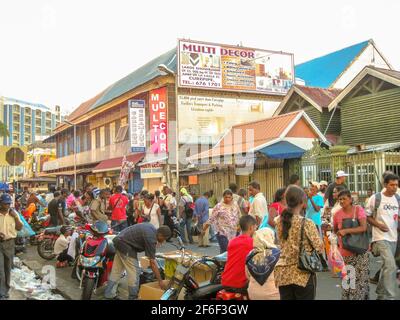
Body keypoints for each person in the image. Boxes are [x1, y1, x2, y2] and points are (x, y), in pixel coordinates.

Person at [274, 185, 324, 300]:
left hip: (283, 274)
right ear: (302, 202)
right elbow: (319, 248)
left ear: (286, 200)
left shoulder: (278, 221)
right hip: (302, 274)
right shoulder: (307, 223)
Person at [104, 224, 171, 300]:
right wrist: (160, 281)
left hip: (119, 241)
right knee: (135, 273)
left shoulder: (151, 228)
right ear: (161, 235)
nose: (164, 241)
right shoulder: (151, 238)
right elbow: (152, 263)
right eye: (164, 238)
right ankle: (133, 297)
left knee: (117, 271)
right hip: (126, 246)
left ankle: (109, 293)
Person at [366, 173, 400, 300]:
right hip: (380, 237)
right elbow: (367, 215)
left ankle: (380, 293)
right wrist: (378, 225)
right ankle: (390, 296)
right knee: (391, 265)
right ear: (385, 184)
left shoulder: (398, 198)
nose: (394, 187)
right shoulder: (376, 198)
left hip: (393, 237)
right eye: (391, 185)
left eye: (396, 185)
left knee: (387, 266)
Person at [333, 190, 369, 300]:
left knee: (360, 282)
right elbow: (335, 230)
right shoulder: (337, 214)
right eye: (340, 199)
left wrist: (346, 231)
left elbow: (363, 227)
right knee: (347, 282)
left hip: (360, 252)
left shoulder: (358, 210)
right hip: (345, 254)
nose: (342, 201)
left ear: (350, 199)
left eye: (344, 198)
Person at [221, 215, 257, 296]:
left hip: (225, 282)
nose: (256, 230)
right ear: (251, 228)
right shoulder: (253, 243)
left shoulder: (232, 241)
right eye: (255, 228)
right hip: (239, 285)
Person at [202, 189, 241, 253]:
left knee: (232, 251)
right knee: (225, 250)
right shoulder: (219, 206)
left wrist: (239, 226)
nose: (227, 199)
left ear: (232, 197)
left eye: (229, 197)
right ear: (223, 197)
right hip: (222, 232)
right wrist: (204, 229)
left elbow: (239, 216)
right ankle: (223, 262)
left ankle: (226, 262)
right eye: (226, 197)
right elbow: (211, 219)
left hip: (234, 232)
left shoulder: (235, 205)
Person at [0, 194, 23, 300]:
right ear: (1, 203)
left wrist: (15, 217)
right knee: (0, 269)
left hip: (9, 243)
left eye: (9, 203)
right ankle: (2, 292)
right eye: (5, 203)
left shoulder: (13, 214)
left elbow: (19, 228)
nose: (8, 205)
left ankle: (6, 289)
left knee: (7, 267)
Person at [247, 227, 280, 300]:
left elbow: (248, 276)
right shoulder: (279, 254)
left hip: (253, 294)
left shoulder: (250, 254)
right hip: (274, 295)